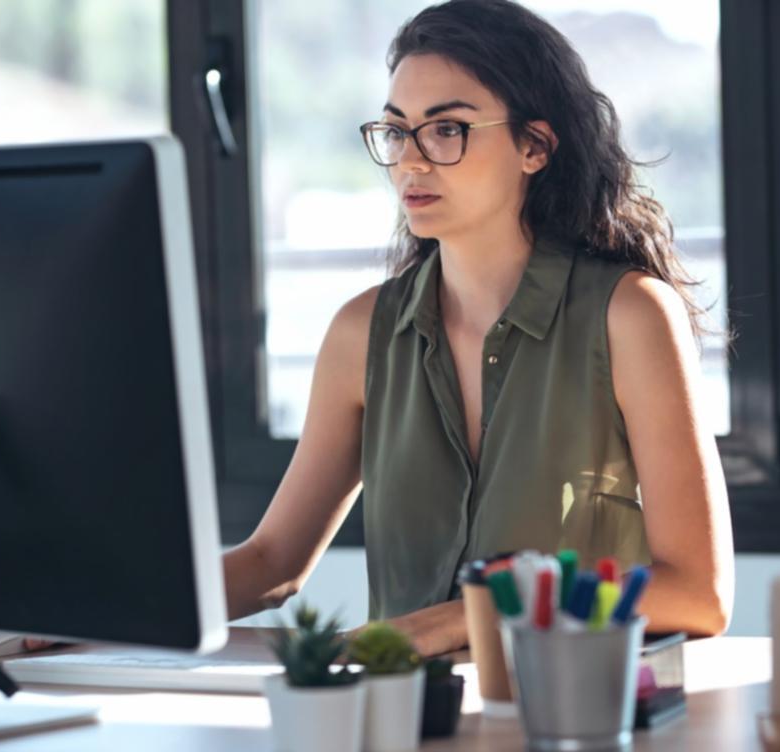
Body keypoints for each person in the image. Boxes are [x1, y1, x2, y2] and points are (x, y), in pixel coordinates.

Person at [223, 0, 735, 657]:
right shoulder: (361, 332)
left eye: (447, 129)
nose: (410, 160)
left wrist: (467, 616)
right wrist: (89, 616)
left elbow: (696, 592)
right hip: (407, 717)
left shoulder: (630, 315)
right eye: (396, 131)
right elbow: (270, 562)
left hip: (573, 713)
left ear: (534, 146)